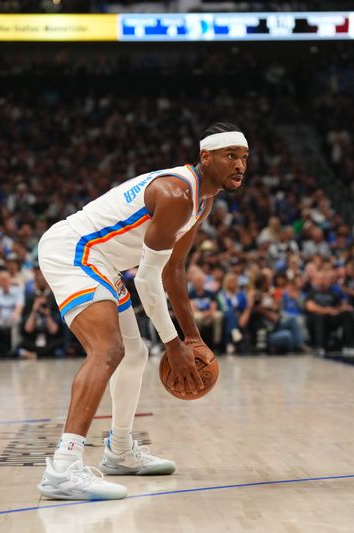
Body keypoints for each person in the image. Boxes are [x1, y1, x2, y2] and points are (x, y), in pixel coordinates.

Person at [36, 122, 249, 500]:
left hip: (103, 262)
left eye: (244, 157)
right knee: (108, 351)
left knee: (133, 354)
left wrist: (193, 337)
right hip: (75, 249)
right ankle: (64, 468)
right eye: (230, 156)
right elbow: (146, 282)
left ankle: (119, 451)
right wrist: (173, 345)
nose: (240, 165)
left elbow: (174, 269)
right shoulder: (176, 193)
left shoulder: (202, 200)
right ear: (205, 157)